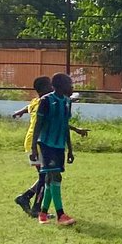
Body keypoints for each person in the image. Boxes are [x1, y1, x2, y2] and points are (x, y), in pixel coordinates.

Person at [30, 72, 78, 226]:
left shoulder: (67, 102)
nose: (72, 87)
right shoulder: (46, 101)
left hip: (59, 146)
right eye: (70, 84)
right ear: (61, 86)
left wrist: (69, 149)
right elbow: (38, 124)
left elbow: (65, 126)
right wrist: (33, 147)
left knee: (53, 179)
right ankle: (60, 215)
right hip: (46, 144)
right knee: (55, 176)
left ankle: (43, 214)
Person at [13, 75, 53, 217]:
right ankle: (35, 207)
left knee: (46, 175)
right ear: (44, 89)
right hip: (35, 143)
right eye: (50, 85)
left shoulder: (38, 101)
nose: (53, 87)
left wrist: (19, 112)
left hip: (34, 141)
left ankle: (26, 198)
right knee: (46, 176)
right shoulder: (44, 102)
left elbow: (28, 107)